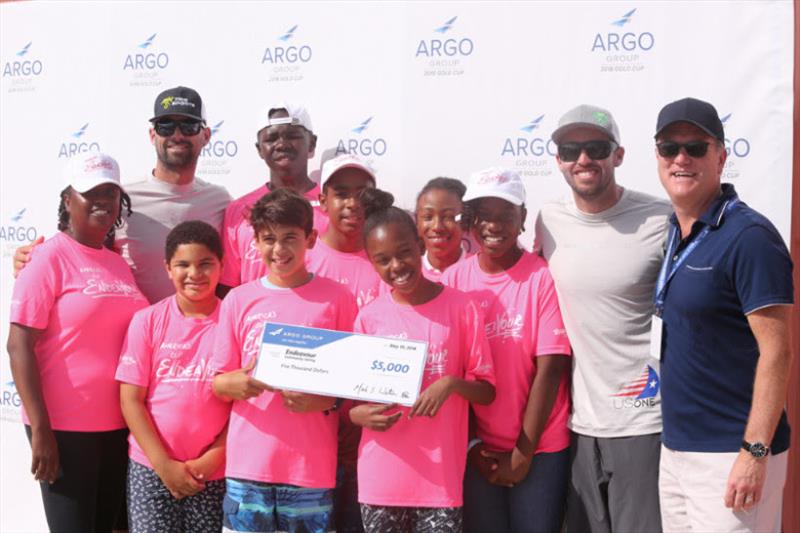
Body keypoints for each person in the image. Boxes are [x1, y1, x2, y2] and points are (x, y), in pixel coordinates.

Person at [652, 97, 793, 532]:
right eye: (669, 147)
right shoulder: (677, 231)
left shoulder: (749, 237)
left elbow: (778, 352)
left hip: (730, 454)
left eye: (696, 147)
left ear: (721, 156)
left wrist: (753, 454)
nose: (681, 158)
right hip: (676, 450)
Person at [535, 104, 671, 533]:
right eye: (570, 149)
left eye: (595, 147)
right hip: (579, 426)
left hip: (644, 421)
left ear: (618, 154)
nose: (583, 159)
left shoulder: (661, 218)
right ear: (558, 160)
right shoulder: (547, 221)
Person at [6, 152, 149, 533]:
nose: (103, 201)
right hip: (64, 431)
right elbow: (18, 344)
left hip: (118, 428)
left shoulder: (118, 263)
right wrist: (40, 430)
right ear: (68, 200)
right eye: (90, 193)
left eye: (110, 192)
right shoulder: (47, 258)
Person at [211, 188, 358, 533]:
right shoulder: (237, 300)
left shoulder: (337, 298)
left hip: (311, 466)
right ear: (256, 243)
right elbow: (218, 382)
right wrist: (236, 384)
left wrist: (322, 400)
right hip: (249, 465)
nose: (279, 249)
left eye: (290, 238)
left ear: (310, 239)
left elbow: (351, 383)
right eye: (268, 239)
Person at [350, 187, 496, 533]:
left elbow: (487, 391)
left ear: (419, 245)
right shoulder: (369, 318)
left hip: (439, 480)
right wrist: (358, 415)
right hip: (380, 478)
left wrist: (450, 384)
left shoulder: (462, 308)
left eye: (403, 253)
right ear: (372, 263)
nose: (397, 266)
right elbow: (353, 404)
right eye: (383, 260)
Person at [441, 168, 572, 533]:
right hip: (478, 448)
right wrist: (472, 445)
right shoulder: (454, 280)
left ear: (523, 219)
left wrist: (523, 453)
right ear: (470, 220)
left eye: (505, 215)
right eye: (482, 215)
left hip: (540, 447)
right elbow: (448, 368)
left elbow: (551, 368)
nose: (493, 225)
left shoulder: (540, 277)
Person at [13, 86, 232, 304]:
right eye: (165, 126)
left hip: (201, 333)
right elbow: (75, 251)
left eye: (188, 126)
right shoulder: (120, 198)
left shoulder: (220, 201)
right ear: (152, 134)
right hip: (132, 333)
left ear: (206, 135)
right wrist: (31, 260)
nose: (177, 135)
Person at [116, 221, 231, 533]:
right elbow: (131, 400)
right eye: (183, 264)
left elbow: (245, 407)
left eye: (206, 263)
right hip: (150, 466)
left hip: (214, 473)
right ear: (167, 268)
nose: (194, 274)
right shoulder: (147, 321)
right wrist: (163, 464)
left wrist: (214, 458)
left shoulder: (234, 323)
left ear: (222, 265)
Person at [218, 103, 327, 293]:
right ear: (259, 148)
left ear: (312, 143)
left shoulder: (332, 208)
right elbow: (228, 287)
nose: (282, 144)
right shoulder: (238, 210)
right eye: (271, 138)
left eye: (292, 136)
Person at [415, 177, 473, 282]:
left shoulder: (480, 274)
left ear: (465, 222)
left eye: (448, 217)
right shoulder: (404, 275)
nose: (437, 227)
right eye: (428, 217)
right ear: (417, 221)